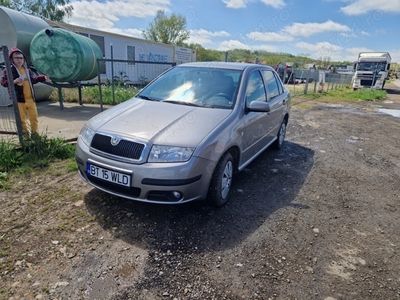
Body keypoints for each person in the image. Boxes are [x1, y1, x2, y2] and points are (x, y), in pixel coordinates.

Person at [1, 47, 46, 136]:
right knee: (22, 119)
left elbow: (33, 80)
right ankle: (25, 135)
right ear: (12, 59)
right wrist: (14, 81)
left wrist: (43, 77)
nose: (19, 60)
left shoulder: (27, 70)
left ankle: (34, 134)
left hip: (30, 99)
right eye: (16, 58)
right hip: (19, 99)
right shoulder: (8, 70)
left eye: (21, 58)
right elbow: (3, 82)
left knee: (34, 117)